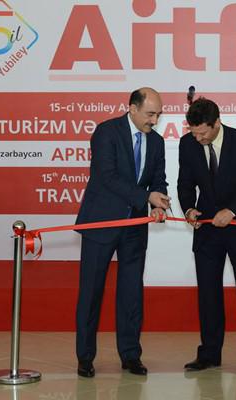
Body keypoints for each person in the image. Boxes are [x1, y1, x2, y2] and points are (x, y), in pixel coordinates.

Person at [74, 87, 170, 378]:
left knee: (131, 293)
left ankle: (130, 356)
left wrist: (158, 203)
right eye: (150, 114)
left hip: (135, 228)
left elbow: (159, 179)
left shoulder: (157, 142)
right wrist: (145, 197)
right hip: (101, 223)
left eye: (158, 115)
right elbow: (107, 176)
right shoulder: (106, 132)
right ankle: (85, 357)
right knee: (91, 292)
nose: (154, 120)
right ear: (133, 108)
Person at [177, 98, 236, 375]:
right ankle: (209, 354)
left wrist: (232, 211)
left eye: (202, 133)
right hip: (207, 229)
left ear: (216, 123)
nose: (198, 138)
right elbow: (185, 183)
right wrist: (189, 209)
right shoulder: (187, 144)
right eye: (194, 132)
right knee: (208, 293)